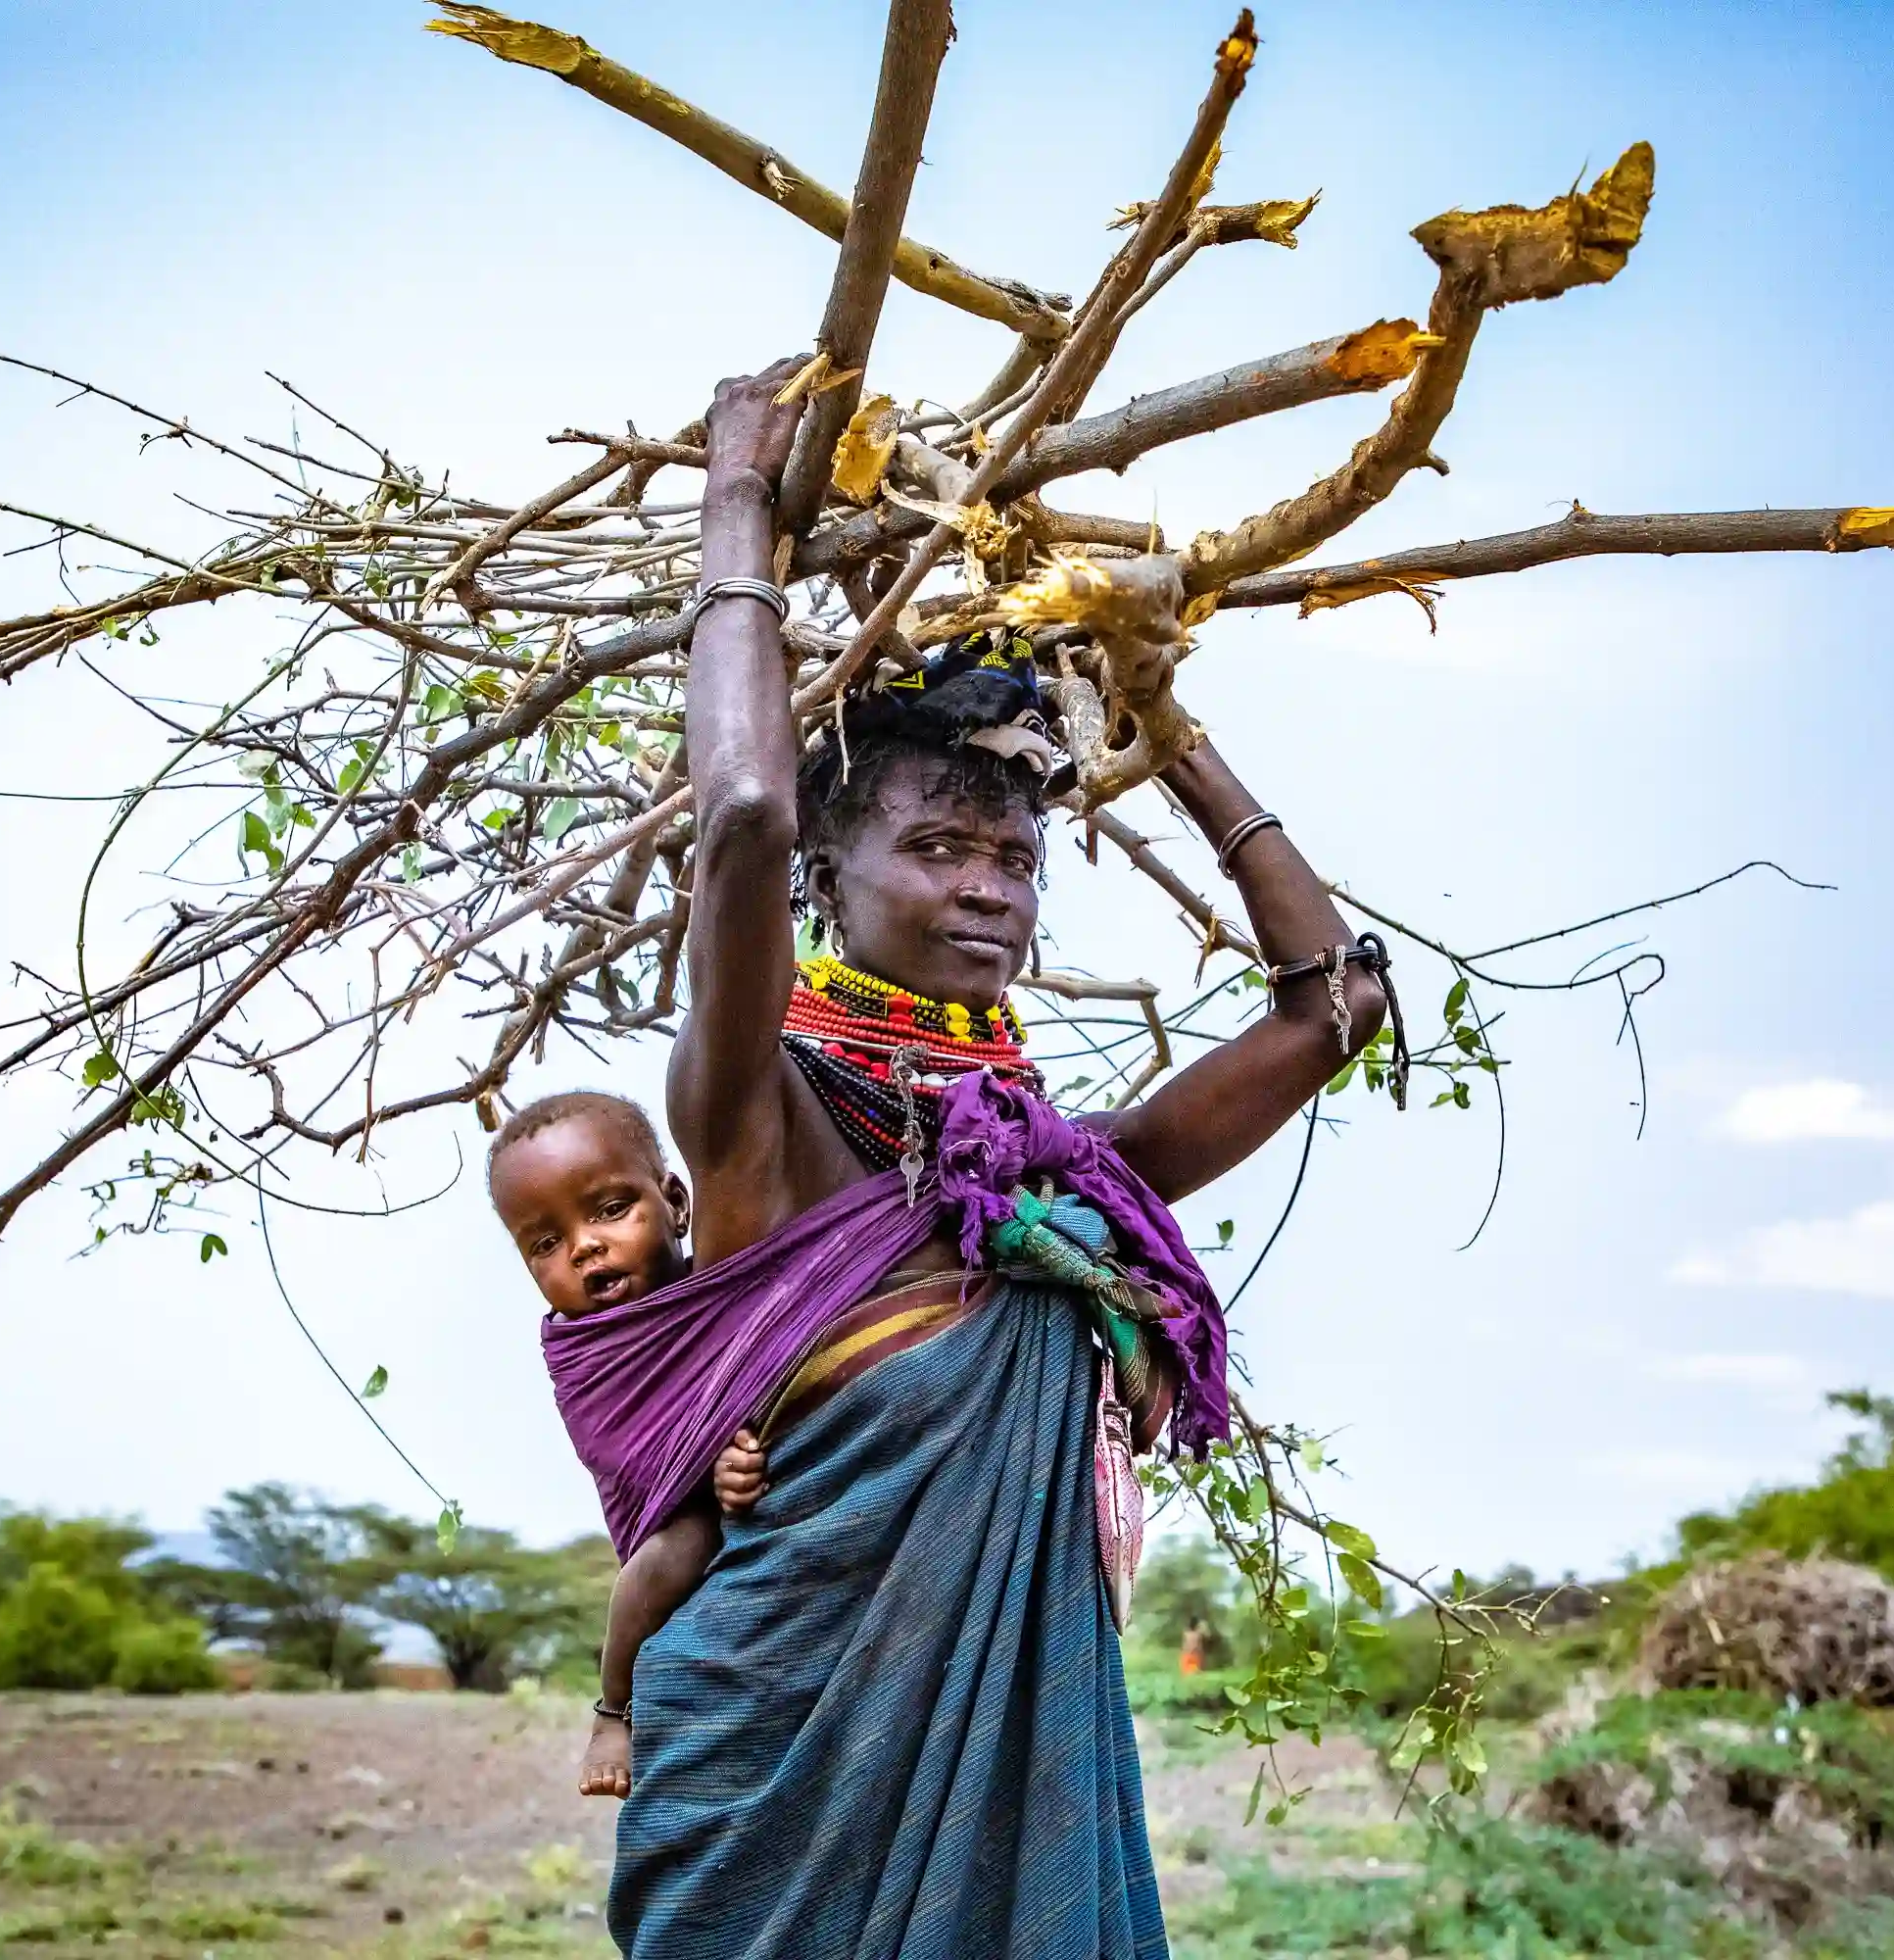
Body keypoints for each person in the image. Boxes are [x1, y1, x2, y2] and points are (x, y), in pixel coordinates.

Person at [560, 358, 1388, 1960]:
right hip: (763, 1794)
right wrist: (735, 495)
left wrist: (1152, 710)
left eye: (1014, 854)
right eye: (935, 844)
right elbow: (736, 809)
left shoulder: (1065, 1190)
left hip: (1007, 1811)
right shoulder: (759, 1117)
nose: (990, 885)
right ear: (833, 863)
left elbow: (1334, 1002)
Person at [485, 1090, 762, 1800]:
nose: (583, 1246)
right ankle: (613, 1712)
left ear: (675, 1201)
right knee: (676, 1552)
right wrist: (712, 1467)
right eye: (545, 1243)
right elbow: (625, 1449)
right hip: (669, 1516)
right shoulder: (582, 1351)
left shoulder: (733, 1279)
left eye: (610, 1209)